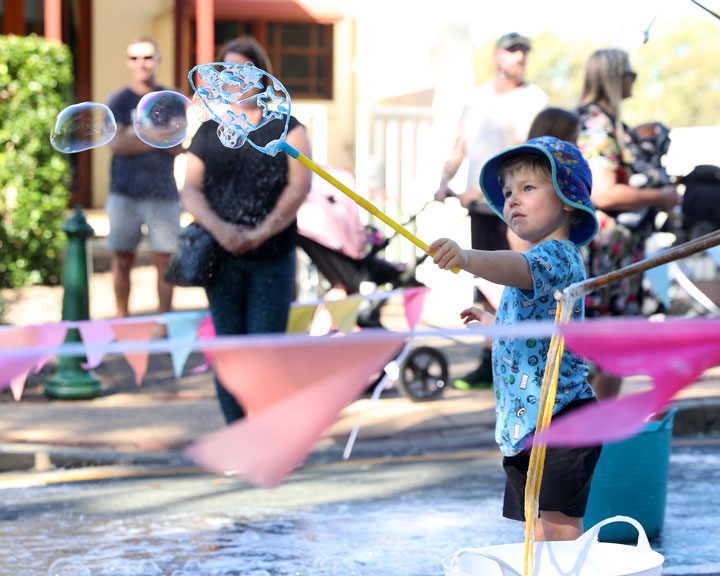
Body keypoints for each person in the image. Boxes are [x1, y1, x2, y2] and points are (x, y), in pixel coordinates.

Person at [429, 136, 601, 541]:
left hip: (562, 418)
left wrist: (468, 258)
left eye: (528, 188)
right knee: (533, 528)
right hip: (528, 421)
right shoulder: (540, 259)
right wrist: (496, 322)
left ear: (565, 199)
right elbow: (535, 326)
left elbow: (515, 267)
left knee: (557, 529)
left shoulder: (557, 255)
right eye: (507, 193)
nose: (512, 201)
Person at [180, 37, 312, 424]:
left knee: (265, 349)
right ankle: (238, 432)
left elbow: (298, 186)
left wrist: (260, 232)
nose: (233, 79)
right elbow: (190, 189)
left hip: (271, 256)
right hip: (219, 257)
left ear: (262, 75)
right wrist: (222, 230)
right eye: (225, 71)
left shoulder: (287, 127)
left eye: (242, 71)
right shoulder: (209, 131)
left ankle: (264, 429)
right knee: (230, 350)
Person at [434, 32, 549, 389]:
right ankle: (491, 360)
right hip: (481, 208)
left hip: (516, 210)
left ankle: (528, 354)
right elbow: (460, 146)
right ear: (498, 55)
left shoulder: (534, 98)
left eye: (524, 52)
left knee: (518, 279)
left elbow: (528, 153)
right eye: (514, 51)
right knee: (483, 279)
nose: (520, 58)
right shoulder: (477, 98)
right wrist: (444, 182)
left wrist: (482, 189)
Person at [576, 48, 681, 400]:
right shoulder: (597, 124)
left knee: (612, 351)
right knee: (606, 352)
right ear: (613, 77)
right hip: (606, 252)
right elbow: (603, 192)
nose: (633, 79)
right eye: (629, 73)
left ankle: (597, 441)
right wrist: (659, 196)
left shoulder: (605, 123)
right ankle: (594, 443)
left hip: (617, 253)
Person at [106, 36, 183, 321]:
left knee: (165, 261)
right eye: (136, 57)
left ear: (158, 59)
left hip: (163, 193)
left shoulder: (171, 97)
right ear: (128, 62)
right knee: (122, 260)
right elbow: (117, 145)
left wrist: (134, 133)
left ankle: (163, 324)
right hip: (123, 193)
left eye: (148, 57)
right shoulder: (118, 100)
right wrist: (159, 135)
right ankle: (121, 322)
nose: (142, 63)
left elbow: (178, 142)